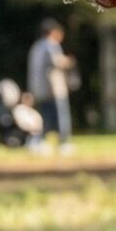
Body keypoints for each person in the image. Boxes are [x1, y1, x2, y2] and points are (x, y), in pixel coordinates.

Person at [26, 18, 78, 153]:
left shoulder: (36, 46)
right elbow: (56, 62)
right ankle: (64, 143)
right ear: (53, 32)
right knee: (62, 117)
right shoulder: (50, 45)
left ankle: (39, 141)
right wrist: (69, 61)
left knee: (45, 117)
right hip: (53, 89)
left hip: (39, 89)